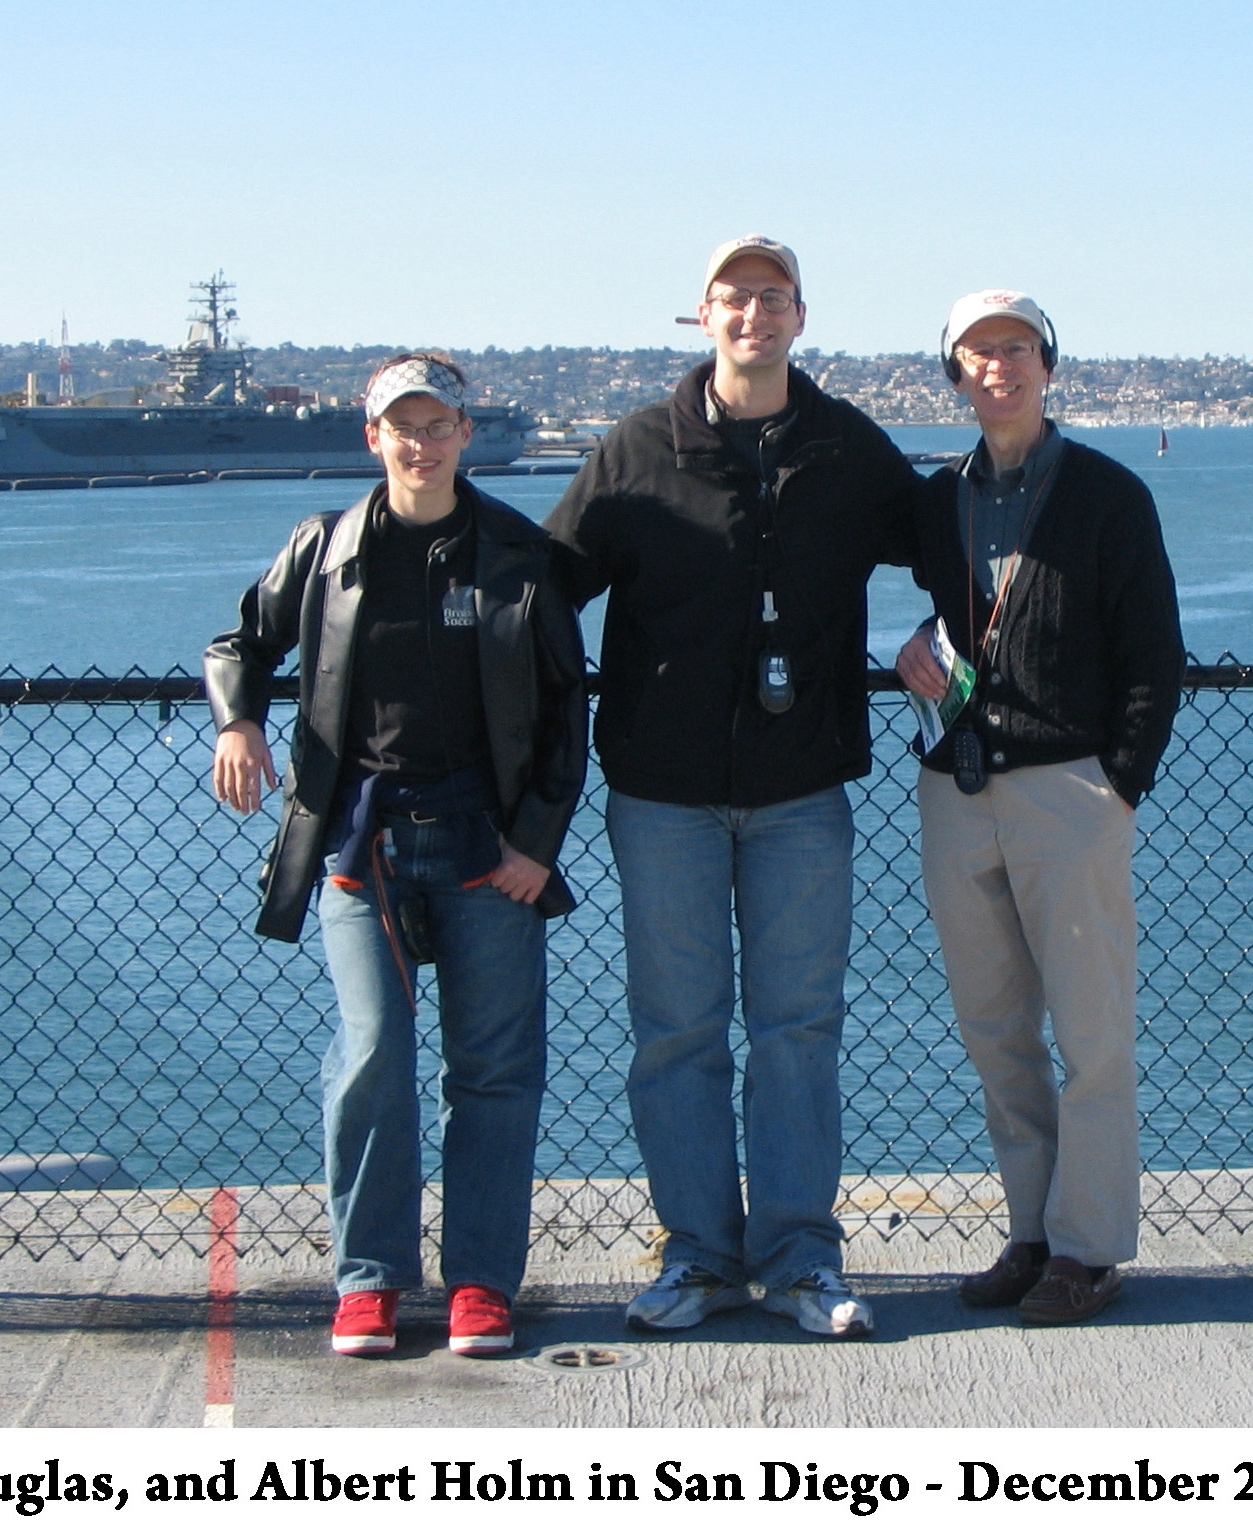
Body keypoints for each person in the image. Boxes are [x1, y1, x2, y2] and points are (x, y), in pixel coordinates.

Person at [543, 236, 922, 1337]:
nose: (751, 313)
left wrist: (940, 630)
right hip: (660, 796)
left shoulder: (847, 447)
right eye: (731, 297)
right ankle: (699, 1256)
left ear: (802, 316)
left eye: (771, 297)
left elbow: (951, 546)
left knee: (797, 1028)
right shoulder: (633, 451)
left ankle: (803, 1258)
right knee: (677, 1033)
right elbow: (543, 593)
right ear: (698, 317)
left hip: (802, 790)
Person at [205, 353, 587, 1358]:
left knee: (495, 1071)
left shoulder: (515, 551)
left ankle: (480, 1285)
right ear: (371, 438)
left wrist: (534, 849)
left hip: (486, 844)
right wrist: (237, 721)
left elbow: (563, 717)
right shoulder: (323, 549)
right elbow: (239, 643)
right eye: (400, 427)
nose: (420, 443)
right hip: (361, 840)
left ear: (466, 432)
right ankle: (369, 1279)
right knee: (372, 1056)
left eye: (438, 424)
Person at [893, 290, 1184, 1326]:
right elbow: (908, 607)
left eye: (1015, 350)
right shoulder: (934, 501)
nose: (997, 369)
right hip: (955, 791)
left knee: (1094, 1033)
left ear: (1047, 366)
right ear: (955, 378)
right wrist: (904, 651)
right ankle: (1032, 1232)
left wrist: (1118, 786)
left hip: (1069, 793)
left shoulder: (1108, 495)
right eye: (976, 355)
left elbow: (1155, 652)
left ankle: (1091, 1247)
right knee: (994, 1029)